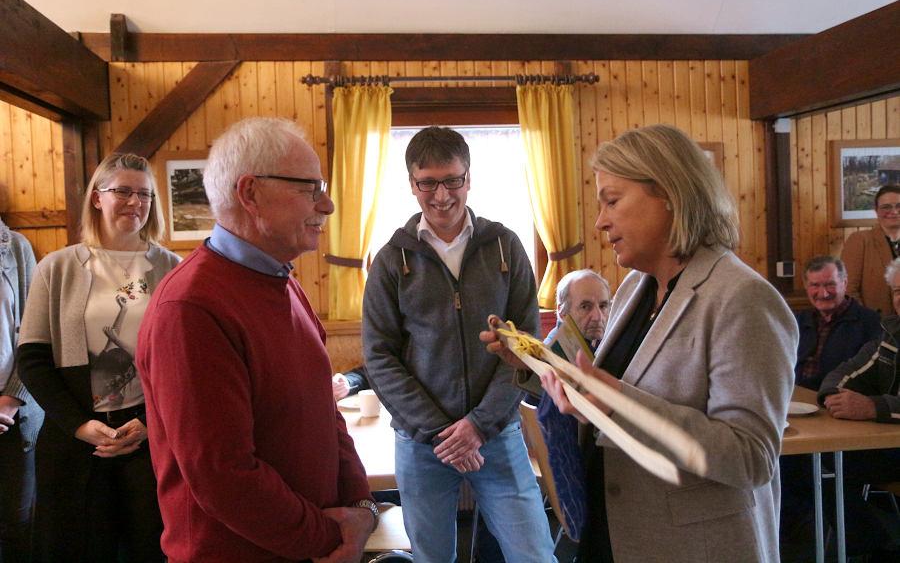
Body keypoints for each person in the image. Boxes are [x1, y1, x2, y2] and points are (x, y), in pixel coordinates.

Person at [483, 124, 797, 562]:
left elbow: (750, 457)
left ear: (670, 194)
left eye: (612, 200)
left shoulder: (743, 298)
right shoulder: (636, 287)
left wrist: (620, 404)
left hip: (690, 546)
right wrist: (532, 365)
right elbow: (601, 396)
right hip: (616, 531)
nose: (600, 220)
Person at [136, 117, 375, 562]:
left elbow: (326, 415)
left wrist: (361, 508)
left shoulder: (282, 281)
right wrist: (329, 537)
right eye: (310, 188)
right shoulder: (191, 307)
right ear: (250, 194)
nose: (328, 204)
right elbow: (223, 476)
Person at [363, 126, 556, 563]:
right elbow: (379, 356)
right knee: (432, 560)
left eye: (452, 179)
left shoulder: (505, 246)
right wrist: (441, 433)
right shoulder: (393, 259)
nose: (442, 195)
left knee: (536, 555)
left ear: (468, 178)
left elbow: (527, 347)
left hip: (497, 434)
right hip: (421, 442)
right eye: (427, 182)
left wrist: (477, 426)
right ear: (412, 184)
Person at [16, 153, 180, 562]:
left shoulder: (171, 269)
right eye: (122, 191)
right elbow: (33, 359)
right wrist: (79, 425)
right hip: (75, 442)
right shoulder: (57, 268)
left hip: (150, 438)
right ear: (96, 198)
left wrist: (149, 422)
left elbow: (184, 366)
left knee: (154, 548)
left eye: (144, 194)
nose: (134, 202)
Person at [809, 257, 900, 558]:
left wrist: (874, 407)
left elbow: (873, 406)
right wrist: (833, 395)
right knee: (815, 466)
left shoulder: (867, 322)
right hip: (888, 444)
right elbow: (846, 371)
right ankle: (874, 545)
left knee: (828, 469)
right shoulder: (891, 334)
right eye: (897, 291)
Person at [0, 215, 38, 563]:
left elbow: (34, 331)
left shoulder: (16, 248)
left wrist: (10, 401)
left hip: (14, 412)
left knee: (18, 522)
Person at [794, 255, 880, 390]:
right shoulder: (797, 321)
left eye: (830, 284)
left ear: (844, 283)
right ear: (806, 286)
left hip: (839, 401)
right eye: (815, 285)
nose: (823, 293)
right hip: (796, 399)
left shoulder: (870, 323)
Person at [842, 184, 900, 315]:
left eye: (899, 206)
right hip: (876, 327)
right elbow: (848, 290)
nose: (894, 211)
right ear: (876, 210)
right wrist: (868, 323)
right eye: (886, 207)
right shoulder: (860, 241)